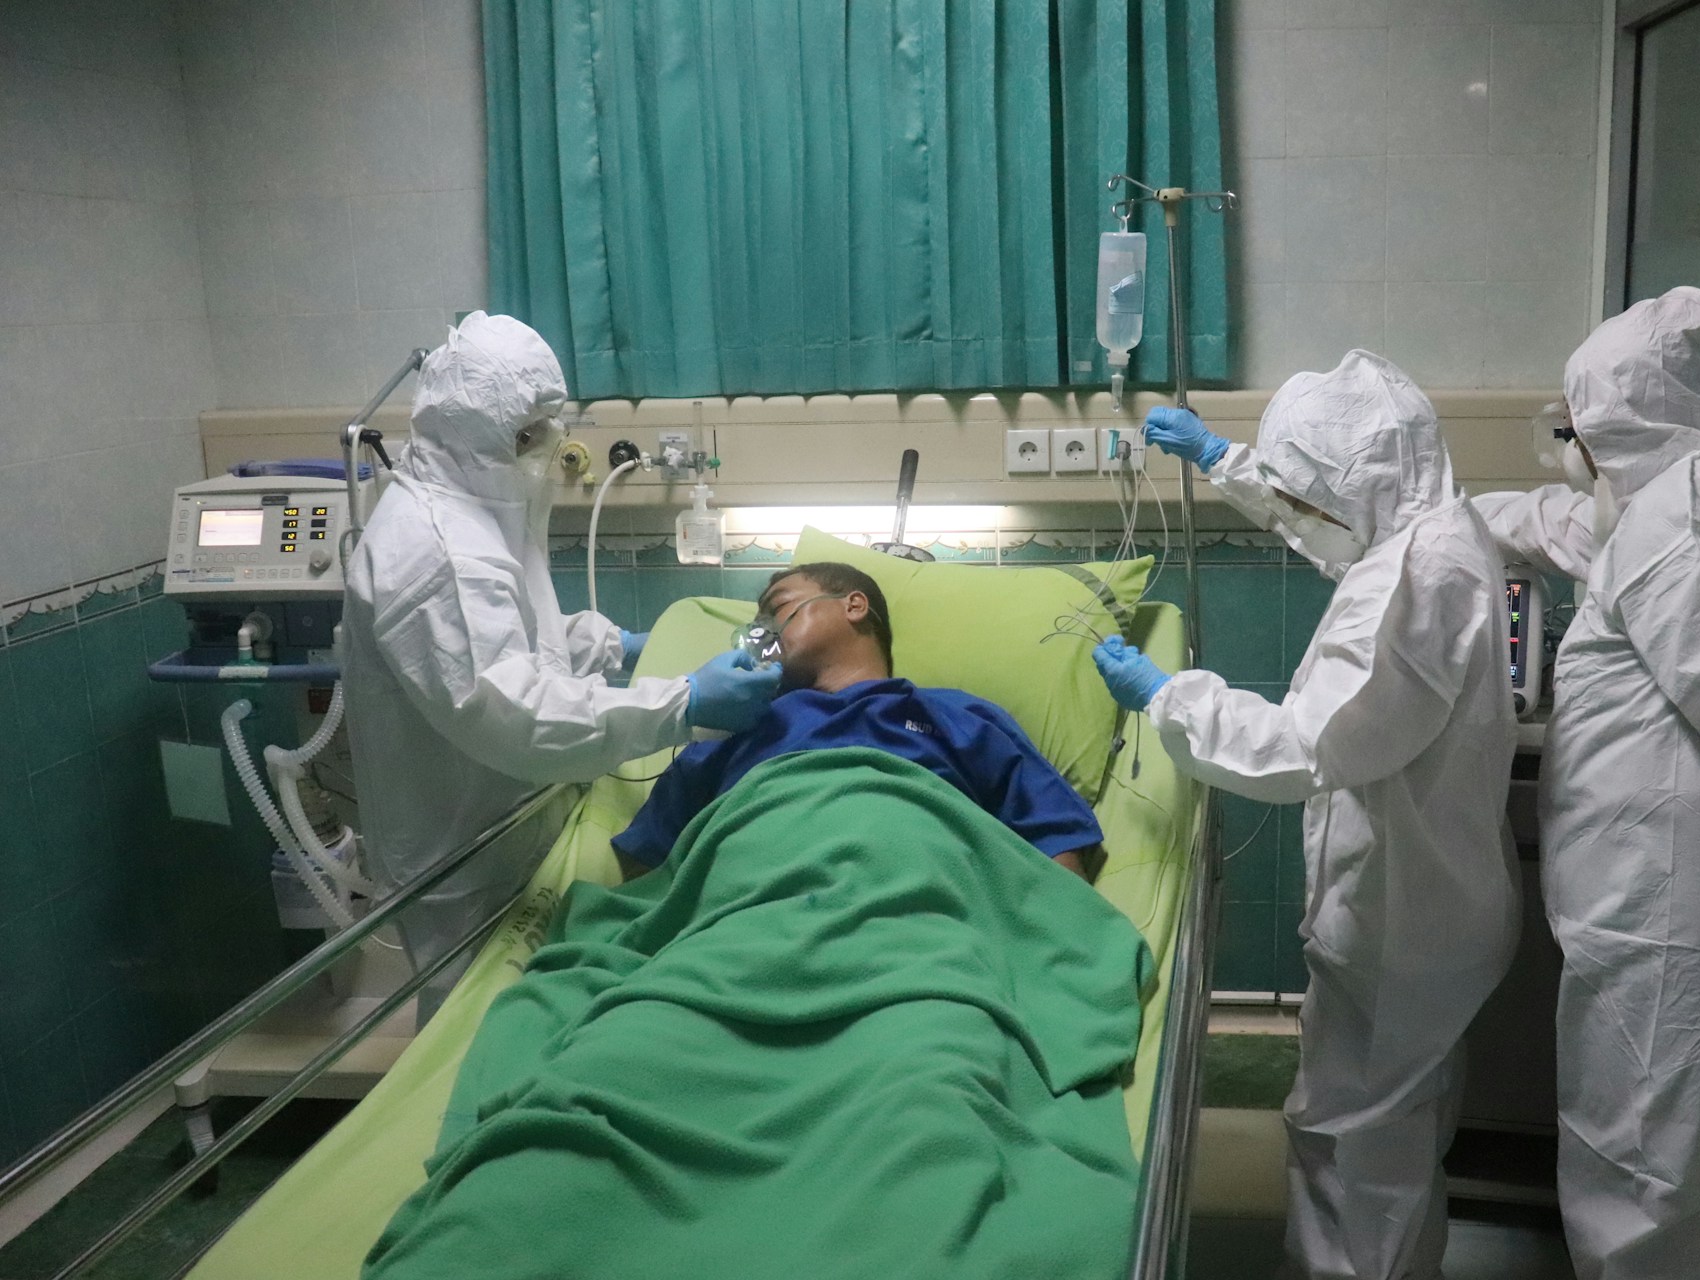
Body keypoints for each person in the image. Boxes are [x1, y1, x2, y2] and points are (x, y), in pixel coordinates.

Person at [1090, 352, 1520, 1280]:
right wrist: (1222, 461)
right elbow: (1334, 527)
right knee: (1396, 1131)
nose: (1312, 510)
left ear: (1361, 477)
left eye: (1312, 489)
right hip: (1433, 903)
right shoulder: (1423, 526)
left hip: (1403, 917)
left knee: (1352, 1139)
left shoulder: (1413, 583)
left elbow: (1301, 750)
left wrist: (1167, 697)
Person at [1473, 286, 1700, 1280]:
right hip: (1666, 916)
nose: (1568, 450)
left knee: (1645, 1188)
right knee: (1676, 1178)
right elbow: (1571, 529)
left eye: (1573, 429)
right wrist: (1423, 516)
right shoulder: (1699, 494)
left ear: (1611, 423)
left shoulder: (1689, 515)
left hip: (1677, 929)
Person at [342, 312, 781, 1000]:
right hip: (463, 865)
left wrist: (620, 648)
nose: (545, 447)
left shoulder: (478, 509)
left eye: (548, 426)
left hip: (519, 830)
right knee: (472, 1035)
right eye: (527, 434)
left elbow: (521, 635)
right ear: (472, 432)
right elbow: (514, 713)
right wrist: (683, 704)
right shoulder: (431, 551)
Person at [613, 562, 1105, 882]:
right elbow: (646, 864)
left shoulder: (955, 715)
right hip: (748, 909)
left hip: (922, 914)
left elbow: (1056, 844)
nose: (762, 631)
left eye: (778, 608)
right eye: (756, 623)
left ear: (854, 605)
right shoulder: (732, 728)